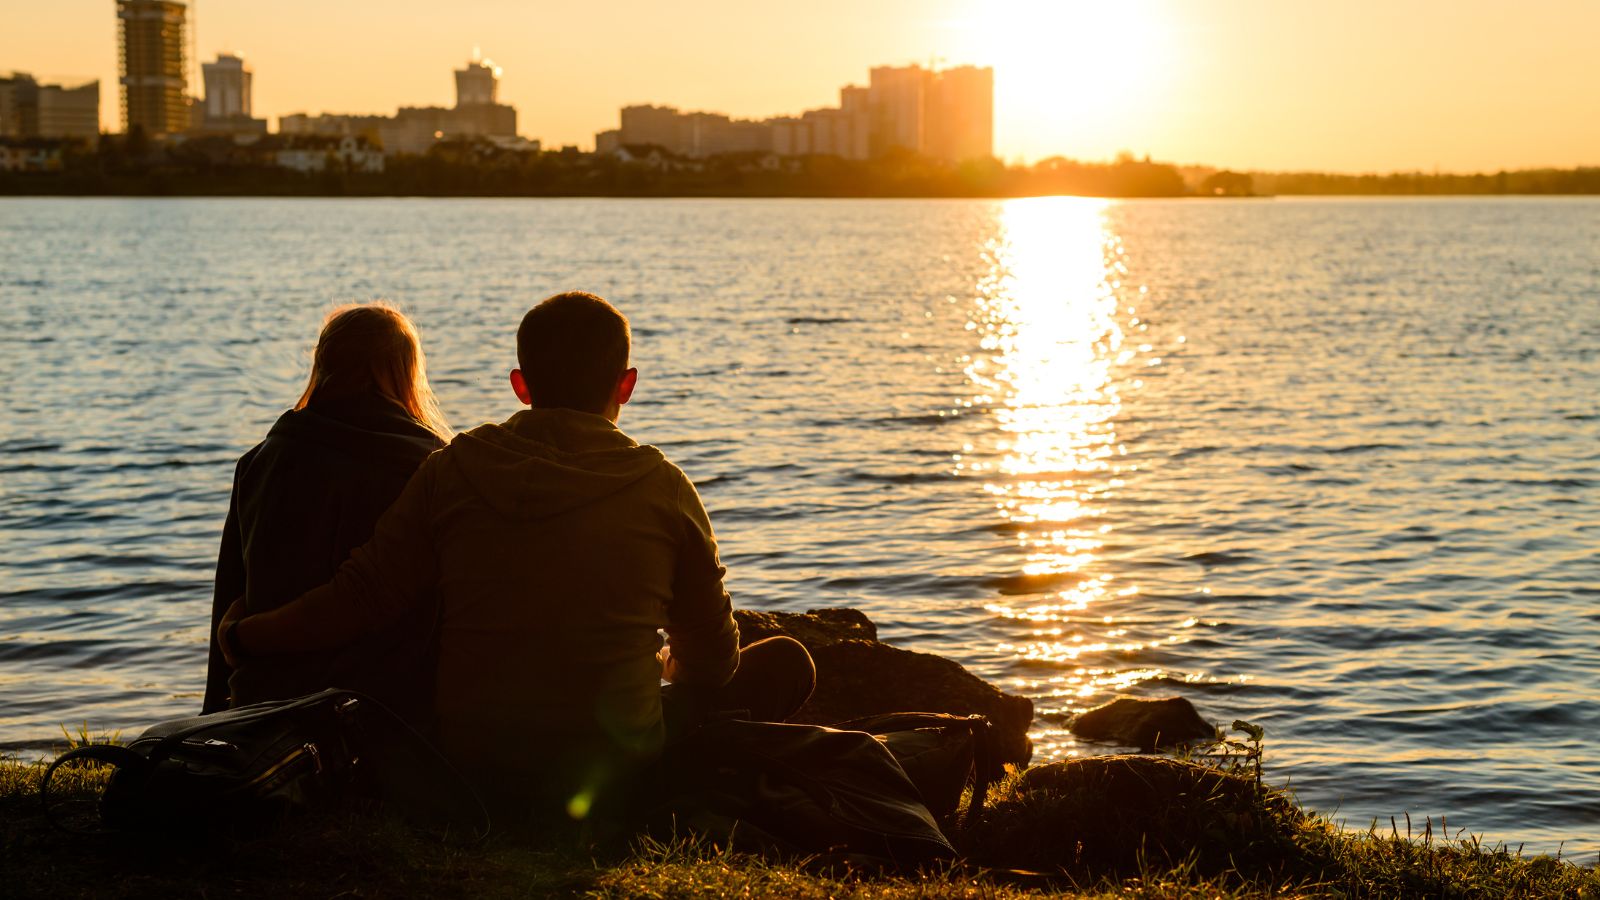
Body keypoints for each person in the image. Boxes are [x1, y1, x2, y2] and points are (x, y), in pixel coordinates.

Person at [215, 291, 814, 820]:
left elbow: (361, 596)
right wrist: (665, 664)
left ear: (520, 385)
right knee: (787, 662)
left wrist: (246, 636)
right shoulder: (665, 488)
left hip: (472, 769)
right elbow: (713, 663)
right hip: (613, 770)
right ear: (626, 385)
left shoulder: (453, 467)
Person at [202, 303, 452, 719]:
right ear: (405, 372)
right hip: (382, 709)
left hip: (264, 704)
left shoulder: (260, 461)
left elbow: (231, 594)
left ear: (324, 364)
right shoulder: (428, 466)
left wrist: (215, 715)